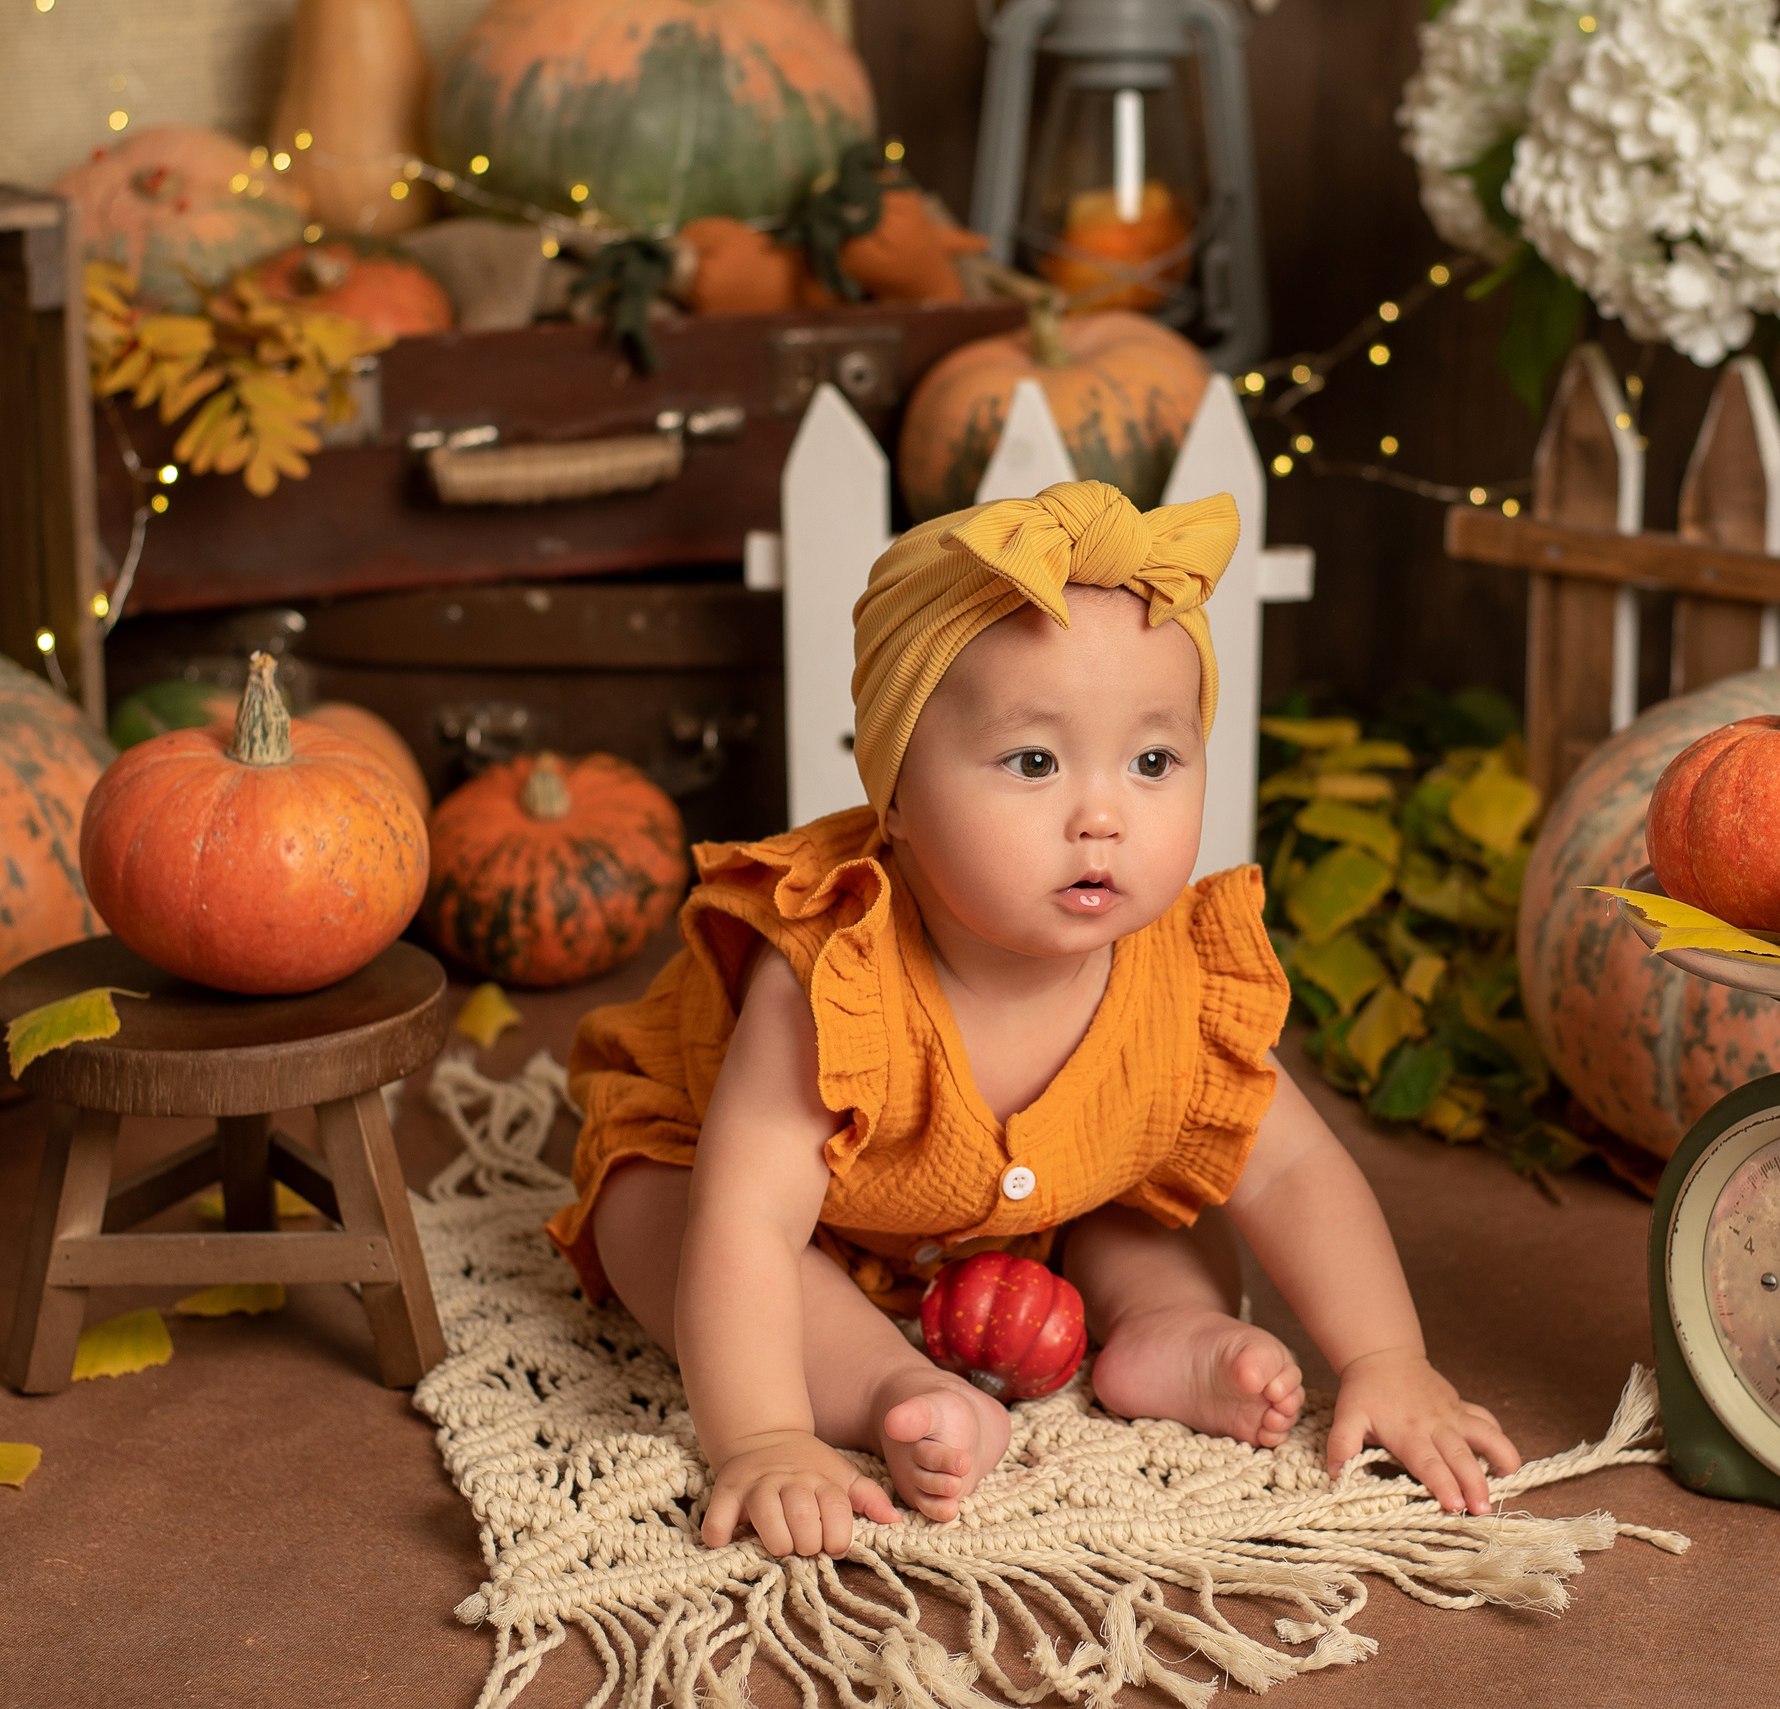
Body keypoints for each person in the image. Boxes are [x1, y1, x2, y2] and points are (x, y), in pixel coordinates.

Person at [549, 480, 1519, 1561]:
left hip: (1029, 1201)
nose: (1101, 815)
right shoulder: (835, 969)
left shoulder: (1177, 977)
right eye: (1033, 762)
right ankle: (886, 1383)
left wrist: (1388, 1358)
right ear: (896, 797)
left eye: (1153, 761)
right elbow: (752, 1223)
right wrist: (760, 1436)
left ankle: (1160, 1328)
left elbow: (1292, 1171)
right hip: (777, 1198)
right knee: (661, 1219)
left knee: (1154, 1192)